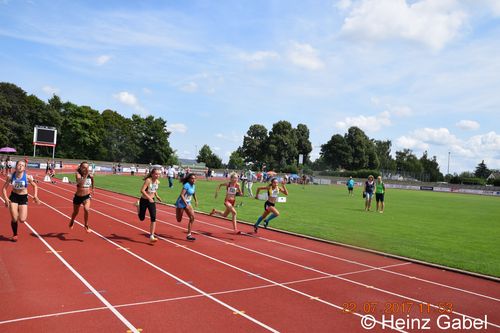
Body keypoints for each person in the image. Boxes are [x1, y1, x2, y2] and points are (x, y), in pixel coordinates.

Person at [2, 160, 40, 241]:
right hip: (14, 197)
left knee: (22, 220)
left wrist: (35, 196)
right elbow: (4, 188)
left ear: (24, 168)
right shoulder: (11, 176)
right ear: (16, 166)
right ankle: (15, 234)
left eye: (22, 165)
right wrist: (6, 198)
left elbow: (35, 186)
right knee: (14, 219)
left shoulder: (27, 177)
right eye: (19, 165)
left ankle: (18, 211)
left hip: (23, 198)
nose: (20, 166)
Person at [137, 167, 162, 242]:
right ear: (152, 174)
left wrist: (157, 196)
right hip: (144, 200)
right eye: (156, 174)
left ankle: (151, 236)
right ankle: (138, 206)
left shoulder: (157, 182)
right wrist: (149, 197)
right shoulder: (148, 180)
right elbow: (142, 190)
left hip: (152, 201)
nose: (157, 175)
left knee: (153, 217)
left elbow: (154, 190)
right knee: (141, 218)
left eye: (158, 174)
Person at [69, 162, 94, 232]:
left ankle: (86, 225)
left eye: (87, 167)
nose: (85, 169)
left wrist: (93, 188)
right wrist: (86, 175)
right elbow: (81, 183)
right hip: (78, 197)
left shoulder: (90, 174)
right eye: (84, 167)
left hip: (86, 196)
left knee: (86, 209)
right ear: (80, 167)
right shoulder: (78, 174)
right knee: (75, 212)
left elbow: (92, 179)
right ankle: (72, 220)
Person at [175, 173, 198, 241]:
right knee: (179, 220)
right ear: (189, 179)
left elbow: (193, 193)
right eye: (192, 178)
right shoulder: (186, 185)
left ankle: (189, 234)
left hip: (188, 202)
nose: (194, 180)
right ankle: (177, 210)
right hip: (181, 203)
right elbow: (182, 195)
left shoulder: (193, 186)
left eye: (195, 178)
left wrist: (196, 200)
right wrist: (185, 204)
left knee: (192, 217)